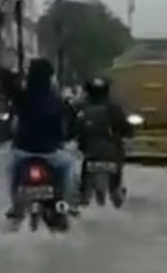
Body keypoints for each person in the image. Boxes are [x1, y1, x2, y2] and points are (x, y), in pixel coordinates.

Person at [7, 58, 77, 218]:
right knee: (69, 166)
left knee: (11, 171)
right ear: (50, 77)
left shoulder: (21, 98)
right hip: (50, 152)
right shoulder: (57, 101)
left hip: (22, 151)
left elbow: (13, 121)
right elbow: (69, 124)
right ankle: (67, 204)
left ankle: (15, 206)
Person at [76, 77, 133, 202]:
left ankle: (84, 191)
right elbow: (127, 129)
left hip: (89, 152)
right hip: (112, 153)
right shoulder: (114, 108)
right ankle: (116, 188)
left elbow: (72, 129)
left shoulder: (82, 107)